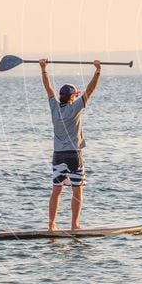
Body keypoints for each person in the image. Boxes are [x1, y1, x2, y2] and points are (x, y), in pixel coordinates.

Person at [39, 57, 101, 231]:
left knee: (56, 190)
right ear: (72, 98)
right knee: (77, 190)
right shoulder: (75, 108)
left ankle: (51, 225)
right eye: (76, 95)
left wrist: (43, 68)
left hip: (58, 155)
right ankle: (74, 225)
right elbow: (90, 90)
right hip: (74, 155)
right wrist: (97, 71)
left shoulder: (54, 107)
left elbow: (48, 87)